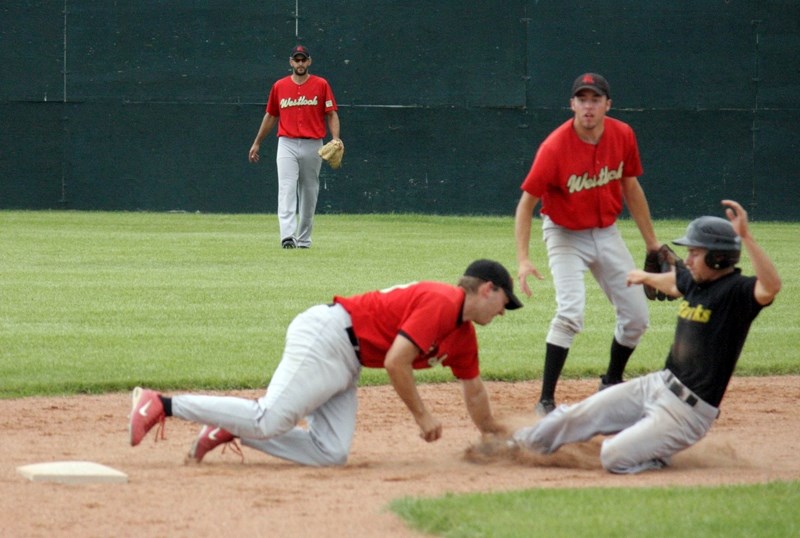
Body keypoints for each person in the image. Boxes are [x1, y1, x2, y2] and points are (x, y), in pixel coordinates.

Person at [129, 259, 523, 466]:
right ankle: (161, 404)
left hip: (346, 361)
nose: (505, 312)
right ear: (488, 289)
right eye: (506, 301)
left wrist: (494, 432)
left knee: (330, 453)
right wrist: (422, 415)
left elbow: (474, 391)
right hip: (329, 336)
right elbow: (395, 362)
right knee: (270, 418)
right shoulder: (442, 301)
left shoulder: (464, 335)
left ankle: (229, 428)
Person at [511, 200, 781, 473]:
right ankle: (515, 445)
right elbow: (676, 282)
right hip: (657, 384)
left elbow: (770, 286)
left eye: (695, 253)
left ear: (717, 258)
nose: (686, 260)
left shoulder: (737, 294)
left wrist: (746, 237)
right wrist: (643, 277)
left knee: (613, 456)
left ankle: (654, 454)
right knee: (576, 415)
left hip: (687, 413)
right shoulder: (697, 283)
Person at [514, 72, 663, 416]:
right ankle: (546, 400)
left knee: (638, 317)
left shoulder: (623, 135)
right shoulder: (554, 147)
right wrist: (523, 259)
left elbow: (631, 188)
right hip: (564, 234)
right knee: (570, 313)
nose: (588, 106)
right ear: (572, 105)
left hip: (607, 233)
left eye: (595, 99)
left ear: (607, 105)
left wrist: (652, 244)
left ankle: (611, 381)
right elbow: (526, 204)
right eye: (582, 99)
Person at [248, 45, 342, 249]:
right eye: (296, 60)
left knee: (309, 191)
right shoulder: (280, 86)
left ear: (309, 62)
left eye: (303, 60)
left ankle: (304, 240)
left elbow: (332, 113)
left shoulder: (321, 84)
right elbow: (271, 116)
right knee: (287, 188)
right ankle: (287, 236)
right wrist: (257, 142)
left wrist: (336, 138)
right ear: (291, 62)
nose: (300, 63)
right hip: (287, 143)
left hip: (313, 144)